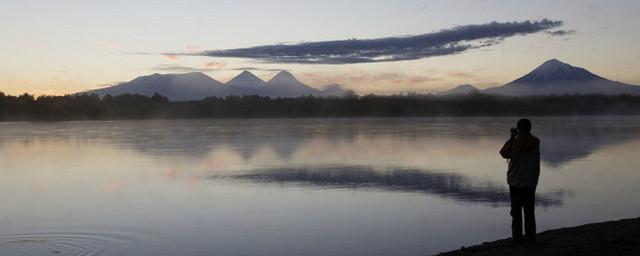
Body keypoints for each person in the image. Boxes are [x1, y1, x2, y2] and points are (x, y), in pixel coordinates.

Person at [499, 118, 540, 244]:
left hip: (516, 182)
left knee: (516, 212)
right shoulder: (535, 141)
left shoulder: (515, 143)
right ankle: (530, 238)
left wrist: (512, 137)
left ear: (519, 129)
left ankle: (517, 239)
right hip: (530, 182)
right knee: (529, 212)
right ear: (530, 128)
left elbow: (503, 153)